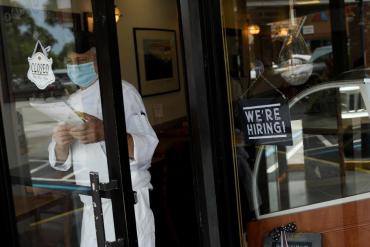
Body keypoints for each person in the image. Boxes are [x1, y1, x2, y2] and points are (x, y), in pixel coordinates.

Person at [48, 31, 158, 247]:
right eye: (71, 61)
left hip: (126, 205)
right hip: (90, 207)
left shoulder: (122, 93)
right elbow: (60, 161)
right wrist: (61, 143)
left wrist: (106, 132)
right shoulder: (70, 101)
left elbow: (147, 150)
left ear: (98, 61)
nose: (76, 66)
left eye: (82, 60)